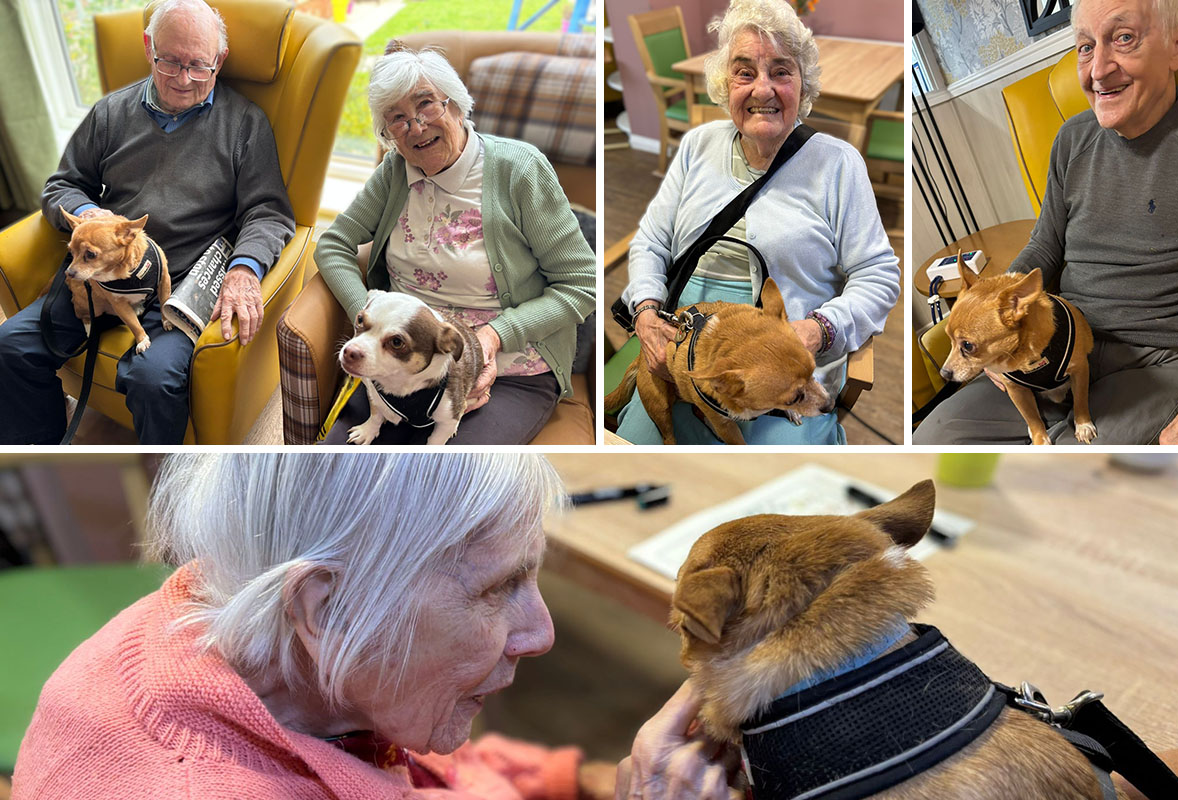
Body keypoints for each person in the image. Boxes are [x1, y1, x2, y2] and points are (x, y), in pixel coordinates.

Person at [13, 453, 739, 800]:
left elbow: (430, 774)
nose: (541, 633)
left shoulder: (233, 604)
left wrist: (580, 783)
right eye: (497, 588)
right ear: (326, 610)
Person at [0, 0, 294, 445]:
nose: (183, 79)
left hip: (177, 285)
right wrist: (87, 213)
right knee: (11, 347)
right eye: (170, 61)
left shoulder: (245, 124)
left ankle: (162, 480)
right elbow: (63, 185)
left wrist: (243, 270)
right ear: (147, 47)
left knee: (154, 381)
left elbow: (268, 211)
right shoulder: (110, 113)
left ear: (219, 61)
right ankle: (46, 454)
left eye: (199, 66)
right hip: (100, 274)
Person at [613, 0, 900, 446]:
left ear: (803, 84)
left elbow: (878, 275)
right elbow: (651, 240)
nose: (762, 89)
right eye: (744, 72)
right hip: (684, 351)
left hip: (784, 366)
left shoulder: (838, 164)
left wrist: (819, 330)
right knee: (636, 449)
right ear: (724, 84)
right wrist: (647, 314)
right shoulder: (697, 146)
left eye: (781, 71)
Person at [914, 0, 1178, 445]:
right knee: (934, 439)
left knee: (1068, 467)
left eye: (1124, 38)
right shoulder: (1072, 138)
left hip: (1160, 358)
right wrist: (994, 314)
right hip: (1057, 337)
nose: (1098, 70)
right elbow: (1044, 245)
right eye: (1085, 47)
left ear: (1177, 44)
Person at [316, 46, 596, 446]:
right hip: (398, 365)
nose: (415, 127)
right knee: (339, 463)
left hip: (507, 370)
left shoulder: (519, 170)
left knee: (447, 471)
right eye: (397, 118)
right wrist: (371, 319)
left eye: (426, 105)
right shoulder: (395, 171)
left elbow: (581, 284)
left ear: (458, 105)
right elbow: (333, 245)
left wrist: (494, 337)